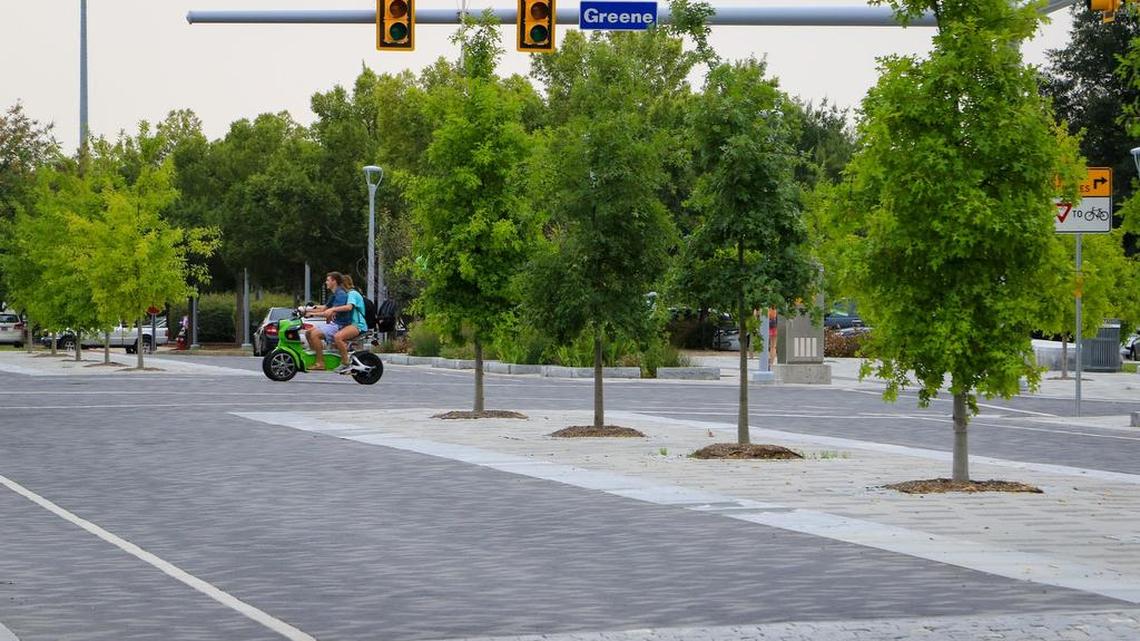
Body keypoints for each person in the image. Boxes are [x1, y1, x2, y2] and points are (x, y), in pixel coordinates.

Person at [303, 272, 349, 371]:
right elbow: (324, 308)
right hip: (334, 324)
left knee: (314, 334)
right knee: (308, 333)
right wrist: (306, 310)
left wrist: (311, 314)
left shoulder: (340, 294)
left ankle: (320, 363)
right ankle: (316, 358)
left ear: (334, 281)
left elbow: (330, 313)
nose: (326, 282)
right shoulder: (334, 294)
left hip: (340, 325)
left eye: (328, 280)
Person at [326, 275, 367, 374]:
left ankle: (346, 364)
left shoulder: (352, 294)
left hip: (357, 325)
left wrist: (333, 309)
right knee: (332, 338)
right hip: (351, 324)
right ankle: (345, 356)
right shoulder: (348, 294)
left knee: (338, 337)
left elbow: (348, 308)